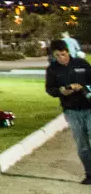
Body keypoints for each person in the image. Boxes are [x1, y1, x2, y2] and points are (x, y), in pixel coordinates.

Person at [45, 39, 91, 184]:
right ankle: (90, 174)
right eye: (57, 56)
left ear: (68, 52)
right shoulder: (52, 69)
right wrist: (61, 91)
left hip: (89, 107)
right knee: (82, 145)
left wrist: (82, 86)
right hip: (71, 111)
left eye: (63, 54)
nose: (61, 58)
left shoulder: (81, 64)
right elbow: (50, 89)